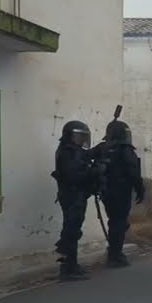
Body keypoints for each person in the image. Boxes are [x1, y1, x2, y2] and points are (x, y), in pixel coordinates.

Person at [92, 118, 145, 268]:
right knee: (119, 222)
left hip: (105, 191)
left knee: (114, 221)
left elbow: (87, 158)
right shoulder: (125, 149)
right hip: (121, 191)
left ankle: (114, 252)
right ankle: (115, 255)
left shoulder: (102, 148)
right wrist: (140, 188)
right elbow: (133, 170)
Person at [51, 120, 100, 281]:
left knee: (74, 231)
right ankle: (67, 268)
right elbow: (74, 175)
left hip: (77, 195)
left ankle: (72, 265)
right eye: (78, 136)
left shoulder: (74, 150)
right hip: (71, 196)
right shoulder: (67, 152)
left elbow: (85, 156)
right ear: (69, 136)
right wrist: (94, 172)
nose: (81, 140)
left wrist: (98, 150)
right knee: (71, 231)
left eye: (83, 137)